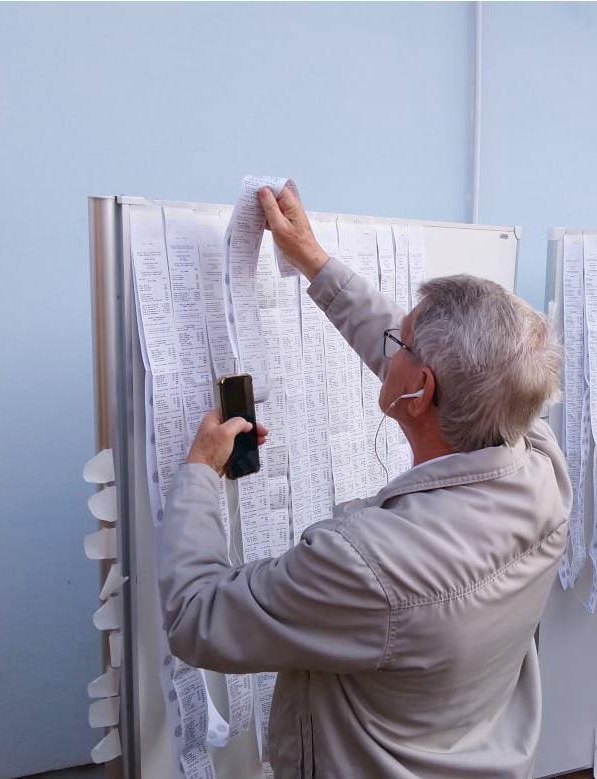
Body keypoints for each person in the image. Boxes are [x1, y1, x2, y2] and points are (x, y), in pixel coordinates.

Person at [156, 181, 570, 778]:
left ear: (420, 389)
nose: (390, 346)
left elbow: (196, 617)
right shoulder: (537, 458)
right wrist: (315, 264)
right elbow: (431, 372)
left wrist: (199, 472)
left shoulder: (367, 562)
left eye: (401, 341)